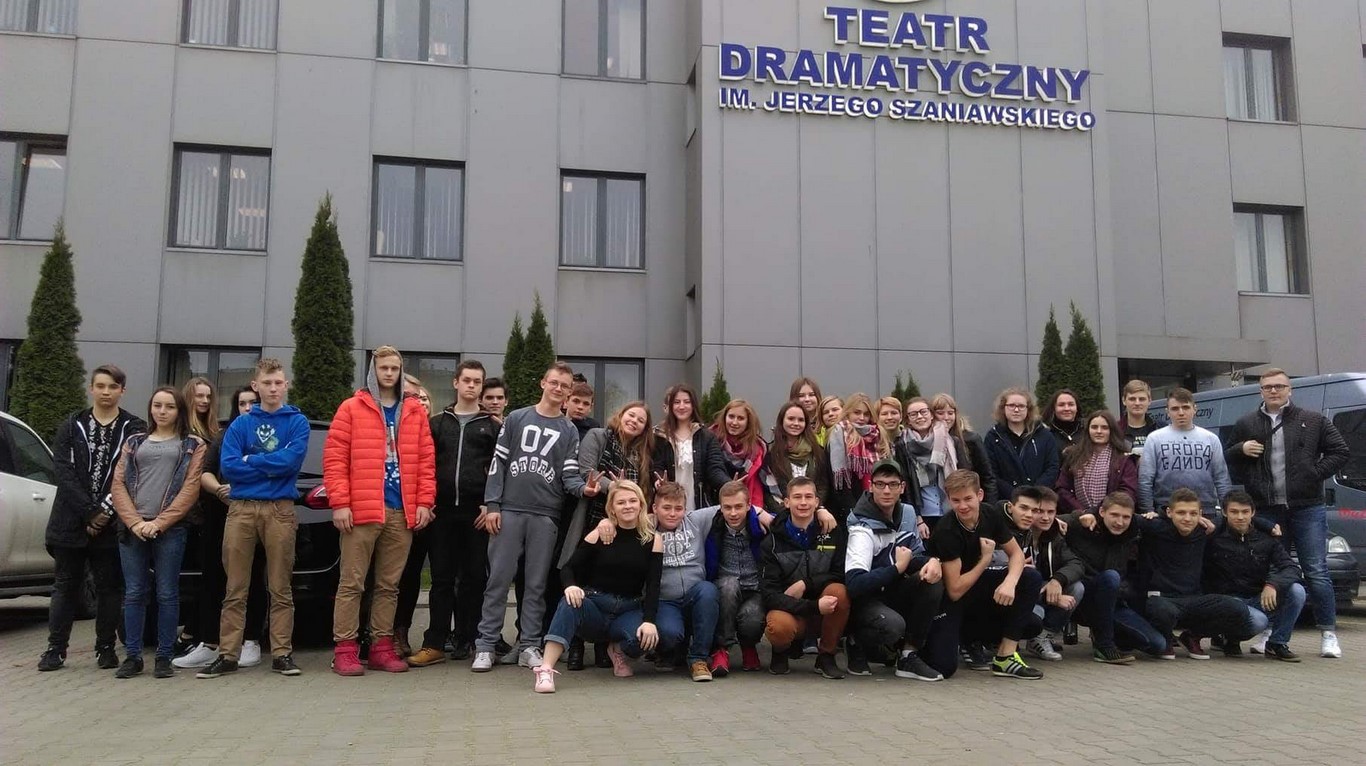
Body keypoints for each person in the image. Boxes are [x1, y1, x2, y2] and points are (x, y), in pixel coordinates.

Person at [472, 361, 600, 672]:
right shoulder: (517, 418)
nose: (558, 389)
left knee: (536, 585)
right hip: (509, 511)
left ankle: (529, 644)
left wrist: (585, 489)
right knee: (498, 580)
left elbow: (568, 474)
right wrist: (493, 505)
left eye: (565, 386)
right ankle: (486, 645)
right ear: (543, 383)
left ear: (569, 392)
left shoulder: (569, 430)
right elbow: (498, 464)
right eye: (554, 382)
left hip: (546, 515)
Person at [323, 347, 435, 676]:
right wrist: (340, 503)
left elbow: (426, 461)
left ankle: (381, 647)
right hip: (362, 510)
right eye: (383, 368)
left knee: (389, 585)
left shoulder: (413, 411)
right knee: (352, 583)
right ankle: (345, 649)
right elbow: (335, 459)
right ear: (373, 371)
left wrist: (424, 502)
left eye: (394, 368)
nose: (389, 373)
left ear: (401, 372)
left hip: (401, 510)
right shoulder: (351, 408)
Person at [196, 358, 310, 679]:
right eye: (267, 383)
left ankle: (282, 653)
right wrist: (267, 464)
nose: (273, 389)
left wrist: (252, 460)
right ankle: (228, 655)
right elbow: (230, 467)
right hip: (242, 509)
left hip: (279, 510)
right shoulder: (240, 425)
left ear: (285, 385)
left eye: (278, 383)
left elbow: (291, 463)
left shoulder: (297, 422)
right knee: (235, 586)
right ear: (255, 386)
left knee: (280, 586)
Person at [1224, 368, 1349, 659]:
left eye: (1279, 386)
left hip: (1307, 506)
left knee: (1316, 570)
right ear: (1261, 391)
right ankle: (1271, 631)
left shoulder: (1312, 420)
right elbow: (1227, 456)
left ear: (1290, 390)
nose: (1274, 391)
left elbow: (1340, 451)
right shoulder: (1246, 422)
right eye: (1268, 387)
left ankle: (1328, 633)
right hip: (1267, 508)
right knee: (1273, 570)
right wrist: (1241, 448)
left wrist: (1313, 474)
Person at [39, 365, 147, 673]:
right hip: (70, 520)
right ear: (91, 388)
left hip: (111, 523)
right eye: (100, 386)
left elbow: (130, 474)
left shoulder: (133, 427)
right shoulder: (72, 424)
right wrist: (89, 511)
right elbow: (63, 470)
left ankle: (106, 648)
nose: (106, 392)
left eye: (112, 386)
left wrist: (105, 511)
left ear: (122, 390)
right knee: (65, 585)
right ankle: (55, 649)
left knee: (109, 588)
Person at [406, 361, 500, 667]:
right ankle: (434, 642)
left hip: (477, 513)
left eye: (477, 381)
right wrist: (426, 500)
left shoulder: (493, 427)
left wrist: (490, 504)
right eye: (467, 380)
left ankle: (468, 640)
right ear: (456, 383)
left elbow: (500, 469)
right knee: (441, 579)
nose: (471, 386)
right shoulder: (436, 424)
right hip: (442, 512)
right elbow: (424, 464)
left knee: (474, 578)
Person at [109, 387, 206, 678]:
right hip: (134, 529)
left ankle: (164, 656)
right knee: (134, 592)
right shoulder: (134, 442)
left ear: (180, 411)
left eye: (169, 407)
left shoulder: (192, 444)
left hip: (171, 529)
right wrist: (135, 522)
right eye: (157, 405)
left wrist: (160, 523)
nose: (162, 411)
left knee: (167, 592)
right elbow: (118, 484)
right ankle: (133, 656)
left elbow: (190, 488)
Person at [533, 481, 662, 693]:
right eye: (621, 502)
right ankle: (545, 669)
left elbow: (653, 585)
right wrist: (570, 586)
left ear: (641, 504)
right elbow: (568, 569)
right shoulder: (600, 534)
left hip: (628, 609)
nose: (628, 506)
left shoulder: (653, 539)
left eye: (633, 501)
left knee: (644, 639)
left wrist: (649, 621)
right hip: (596, 605)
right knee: (569, 603)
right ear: (612, 508)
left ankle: (616, 648)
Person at [174, 386, 269, 671]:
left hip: (255, 513)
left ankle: (250, 641)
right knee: (213, 579)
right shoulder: (224, 436)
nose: (248, 408)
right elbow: (205, 472)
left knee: (252, 579)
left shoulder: (268, 435)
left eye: (253, 402)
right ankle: (209, 643)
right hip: (219, 514)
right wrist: (218, 489)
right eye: (242, 403)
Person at [558, 400, 655, 670]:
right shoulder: (598, 436)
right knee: (583, 576)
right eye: (631, 415)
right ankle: (576, 646)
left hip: (623, 523)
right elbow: (587, 470)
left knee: (607, 579)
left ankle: (603, 645)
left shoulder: (639, 454)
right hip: (591, 516)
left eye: (641, 421)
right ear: (621, 415)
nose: (634, 421)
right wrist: (618, 488)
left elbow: (641, 490)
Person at [930, 469, 1045, 680]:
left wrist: (1010, 582)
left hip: (976, 588)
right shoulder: (947, 529)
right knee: (944, 667)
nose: (963, 506)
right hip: (951, 599)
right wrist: (985, 560)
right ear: (948, 499)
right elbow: (955, 590)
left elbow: (1017, 555)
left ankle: (1005, 657)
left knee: (1030, 584)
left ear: (980, 495)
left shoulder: (990, 514)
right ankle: (964, 638)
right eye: (956, 500)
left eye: (968, 499)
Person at [841, 460, 946, 682]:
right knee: (892, 625)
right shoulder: (860, 523)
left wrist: (933, 561)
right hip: (865, 599)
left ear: (902, 487)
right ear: (871, 487)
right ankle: (855, 641)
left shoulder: (907, 513)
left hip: (893, 590)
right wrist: (897, 568)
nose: (886, 490)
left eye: (892, 484)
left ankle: (908, 655)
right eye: (880, 484)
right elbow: (855, 584)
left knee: (932, 578)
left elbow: (915, 555)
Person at [1131, 488, 1257, 659]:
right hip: (1161, 599)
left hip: (1193, 599)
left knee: (1237, 608)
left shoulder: (1204, 529)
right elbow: (1120, 515)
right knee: (1163, 610)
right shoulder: (1155, 526)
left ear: (1200, 514)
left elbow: (1238, 520)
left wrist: (1269, 525)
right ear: (1169, 512)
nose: (1187, 518)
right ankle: (1166, 639)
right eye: (1181, 513)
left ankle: (1192, 637)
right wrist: (1154, 514)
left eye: (1193, 513)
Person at [761, 476, 848, 679]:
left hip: (824, 609)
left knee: (839, 592)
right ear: (786, 502)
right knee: (778, 627)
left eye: (808, 497)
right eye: (797, 497)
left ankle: (826, 656)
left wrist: (807, 584)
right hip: (789, 609)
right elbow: (770, 595)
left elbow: (840, 574)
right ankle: (780, 651)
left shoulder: (832, 532)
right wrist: (813, 607)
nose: (803, 502)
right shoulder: (771, 541)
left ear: (817, 502)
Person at [1204, 491, 1306, 661]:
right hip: (1226, 600)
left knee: (1297, 591)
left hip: (1256, 598)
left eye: (1245, 512)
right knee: (1258, 621)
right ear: (1224, 513)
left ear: (1253, 513)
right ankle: (1230, 638)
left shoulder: (1266, 538)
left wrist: (1273, 584)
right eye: (1234, 512)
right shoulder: (1213, 537)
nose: (1240, 517)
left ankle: (1277, 644)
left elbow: (1291, 568)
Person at [1058, 492, 1152, 662]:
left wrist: (1160, 514)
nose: (1119, 522)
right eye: (1114, 515)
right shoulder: (1082, 522)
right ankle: (1104, 646)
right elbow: (1045, 518)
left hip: (1112, 599)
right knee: (1111, 576)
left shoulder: (1134, 529)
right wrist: (1059, 520)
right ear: (1102, 512)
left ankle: (1105, 632)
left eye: (1126, 517)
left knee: (1154, 644)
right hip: (1083, 595)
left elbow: (1171, 519)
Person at [1003, 487, 1084, 662]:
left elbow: (1076, 563)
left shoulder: (1054, 535)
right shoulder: (1014, 533)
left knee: (1076, 588)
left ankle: (1041, 638)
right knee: (1036, 614)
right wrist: (1047, 592)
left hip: (1041, 590)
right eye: (1040, 511)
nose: (1046, 517)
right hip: (1017, 594)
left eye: (1051, 512)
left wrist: (1057, 581)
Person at [704, 481, 770, 676]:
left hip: (755, 589)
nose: (733, 513)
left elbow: (788, 520)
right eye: (727, 507)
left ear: (749, 506)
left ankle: (748, 646)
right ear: (720, 508)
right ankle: (721, 648)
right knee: (729, 585)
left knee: (752, 619)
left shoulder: (761, 526)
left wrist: (821, 511)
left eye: (738, 507)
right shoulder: (713, 527)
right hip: (725, 587)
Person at [1138, 388, 1231, 516]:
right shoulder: (1154, 439)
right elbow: (1145, 479)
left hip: (1205, 510)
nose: (1181, 413)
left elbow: (1222, 478)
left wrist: (1227, 511)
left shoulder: (1211, 439)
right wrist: (1148, 511)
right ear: (1167, 412)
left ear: (1194, 409)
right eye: (1175, 409)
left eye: (1186, 407)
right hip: (1166, 510)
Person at [651, 383, 729, 511]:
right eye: (677, 402)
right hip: (669, 506)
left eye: (687, 402)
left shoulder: (707, 436)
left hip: (698, 505)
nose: (682, 406)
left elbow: (715, 469)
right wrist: (658, 480)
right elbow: (656, 466)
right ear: (670, 406)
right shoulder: (659, 436)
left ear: (693, 405)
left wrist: (728, 484)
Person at [896, 396, 966, 532]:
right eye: (913, 414)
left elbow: (964, 476)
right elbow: (907, 485)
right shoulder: (902, 445)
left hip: (952, 511)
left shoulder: (951, 441)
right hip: (924, 515)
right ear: (908, 420)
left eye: (923, 411)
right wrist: (918, 519)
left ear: (931, 415)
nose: (919, 416)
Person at [983, 388, 1060, 500]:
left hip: (1040, 498)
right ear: (1003, 408)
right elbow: (991, 472)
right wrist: (1015, 495)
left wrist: (1035, 492)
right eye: (1011, 405)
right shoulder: (993, 437)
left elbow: (1052, 467)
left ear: (1028, 409)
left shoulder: (1044, 435)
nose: (1016, 410)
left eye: (1021, 406)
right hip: (1008, 500)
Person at [1056, 411, 1139, 512]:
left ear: (1112, 430)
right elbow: (1062, 488)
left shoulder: (1123, 459)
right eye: (1094, 427)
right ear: (1088, 430)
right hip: (1079, 515)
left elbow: (1128, 491)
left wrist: (1100, 511)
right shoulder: (1073, 456)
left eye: (1104, 428)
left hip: (1111, 515)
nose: (1099, 431)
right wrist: (1081, 511)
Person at [760, 401, 830, 511]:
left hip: (813, 512)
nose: (796, 423)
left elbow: (822, 485)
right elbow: (768, 490)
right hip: (781, 514)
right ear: (782, 421)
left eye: (801, 420)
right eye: (791, 419)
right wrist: (785, 512)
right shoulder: (770, 453)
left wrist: (814, 507)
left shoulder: (818, 452)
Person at [930, 393, 997, 504]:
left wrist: (989, 506)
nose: (946, 418)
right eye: (940, 413)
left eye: (950, 413)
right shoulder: (927, 441)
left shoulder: (971, 439)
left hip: (966, 501)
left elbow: (987, 476)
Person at [827, 393, 878, 517]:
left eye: (866, 414)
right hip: (847, 501)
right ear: (848, 412)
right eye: (857, 412)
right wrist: (851, 509)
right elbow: (838, 475)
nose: (862, 418)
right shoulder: (839, 432)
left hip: (875, 499)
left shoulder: (877, 434)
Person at [712, 399, 767, 509]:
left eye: (740, 418)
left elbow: (757, 485)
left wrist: (756, 511)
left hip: (745, 506)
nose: (734, 422)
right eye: (731, 416)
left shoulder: (757, 449)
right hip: (713, 504)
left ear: (748, 422)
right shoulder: (711, 440)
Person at [1121, 379, 1158, 456]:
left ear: (1149, 401)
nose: (1137, 403)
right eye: (1132, 399)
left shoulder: (1160, 428)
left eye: (1142, 399)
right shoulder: (1115, 430)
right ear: (1124, 401)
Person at [1041, 389, 1083, 456]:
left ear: (1077, 408)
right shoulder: (1045, 433)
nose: (1067, 408)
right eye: (1061, 405)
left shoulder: (1087, 430)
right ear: (1053, 408)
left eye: (1071, 404)